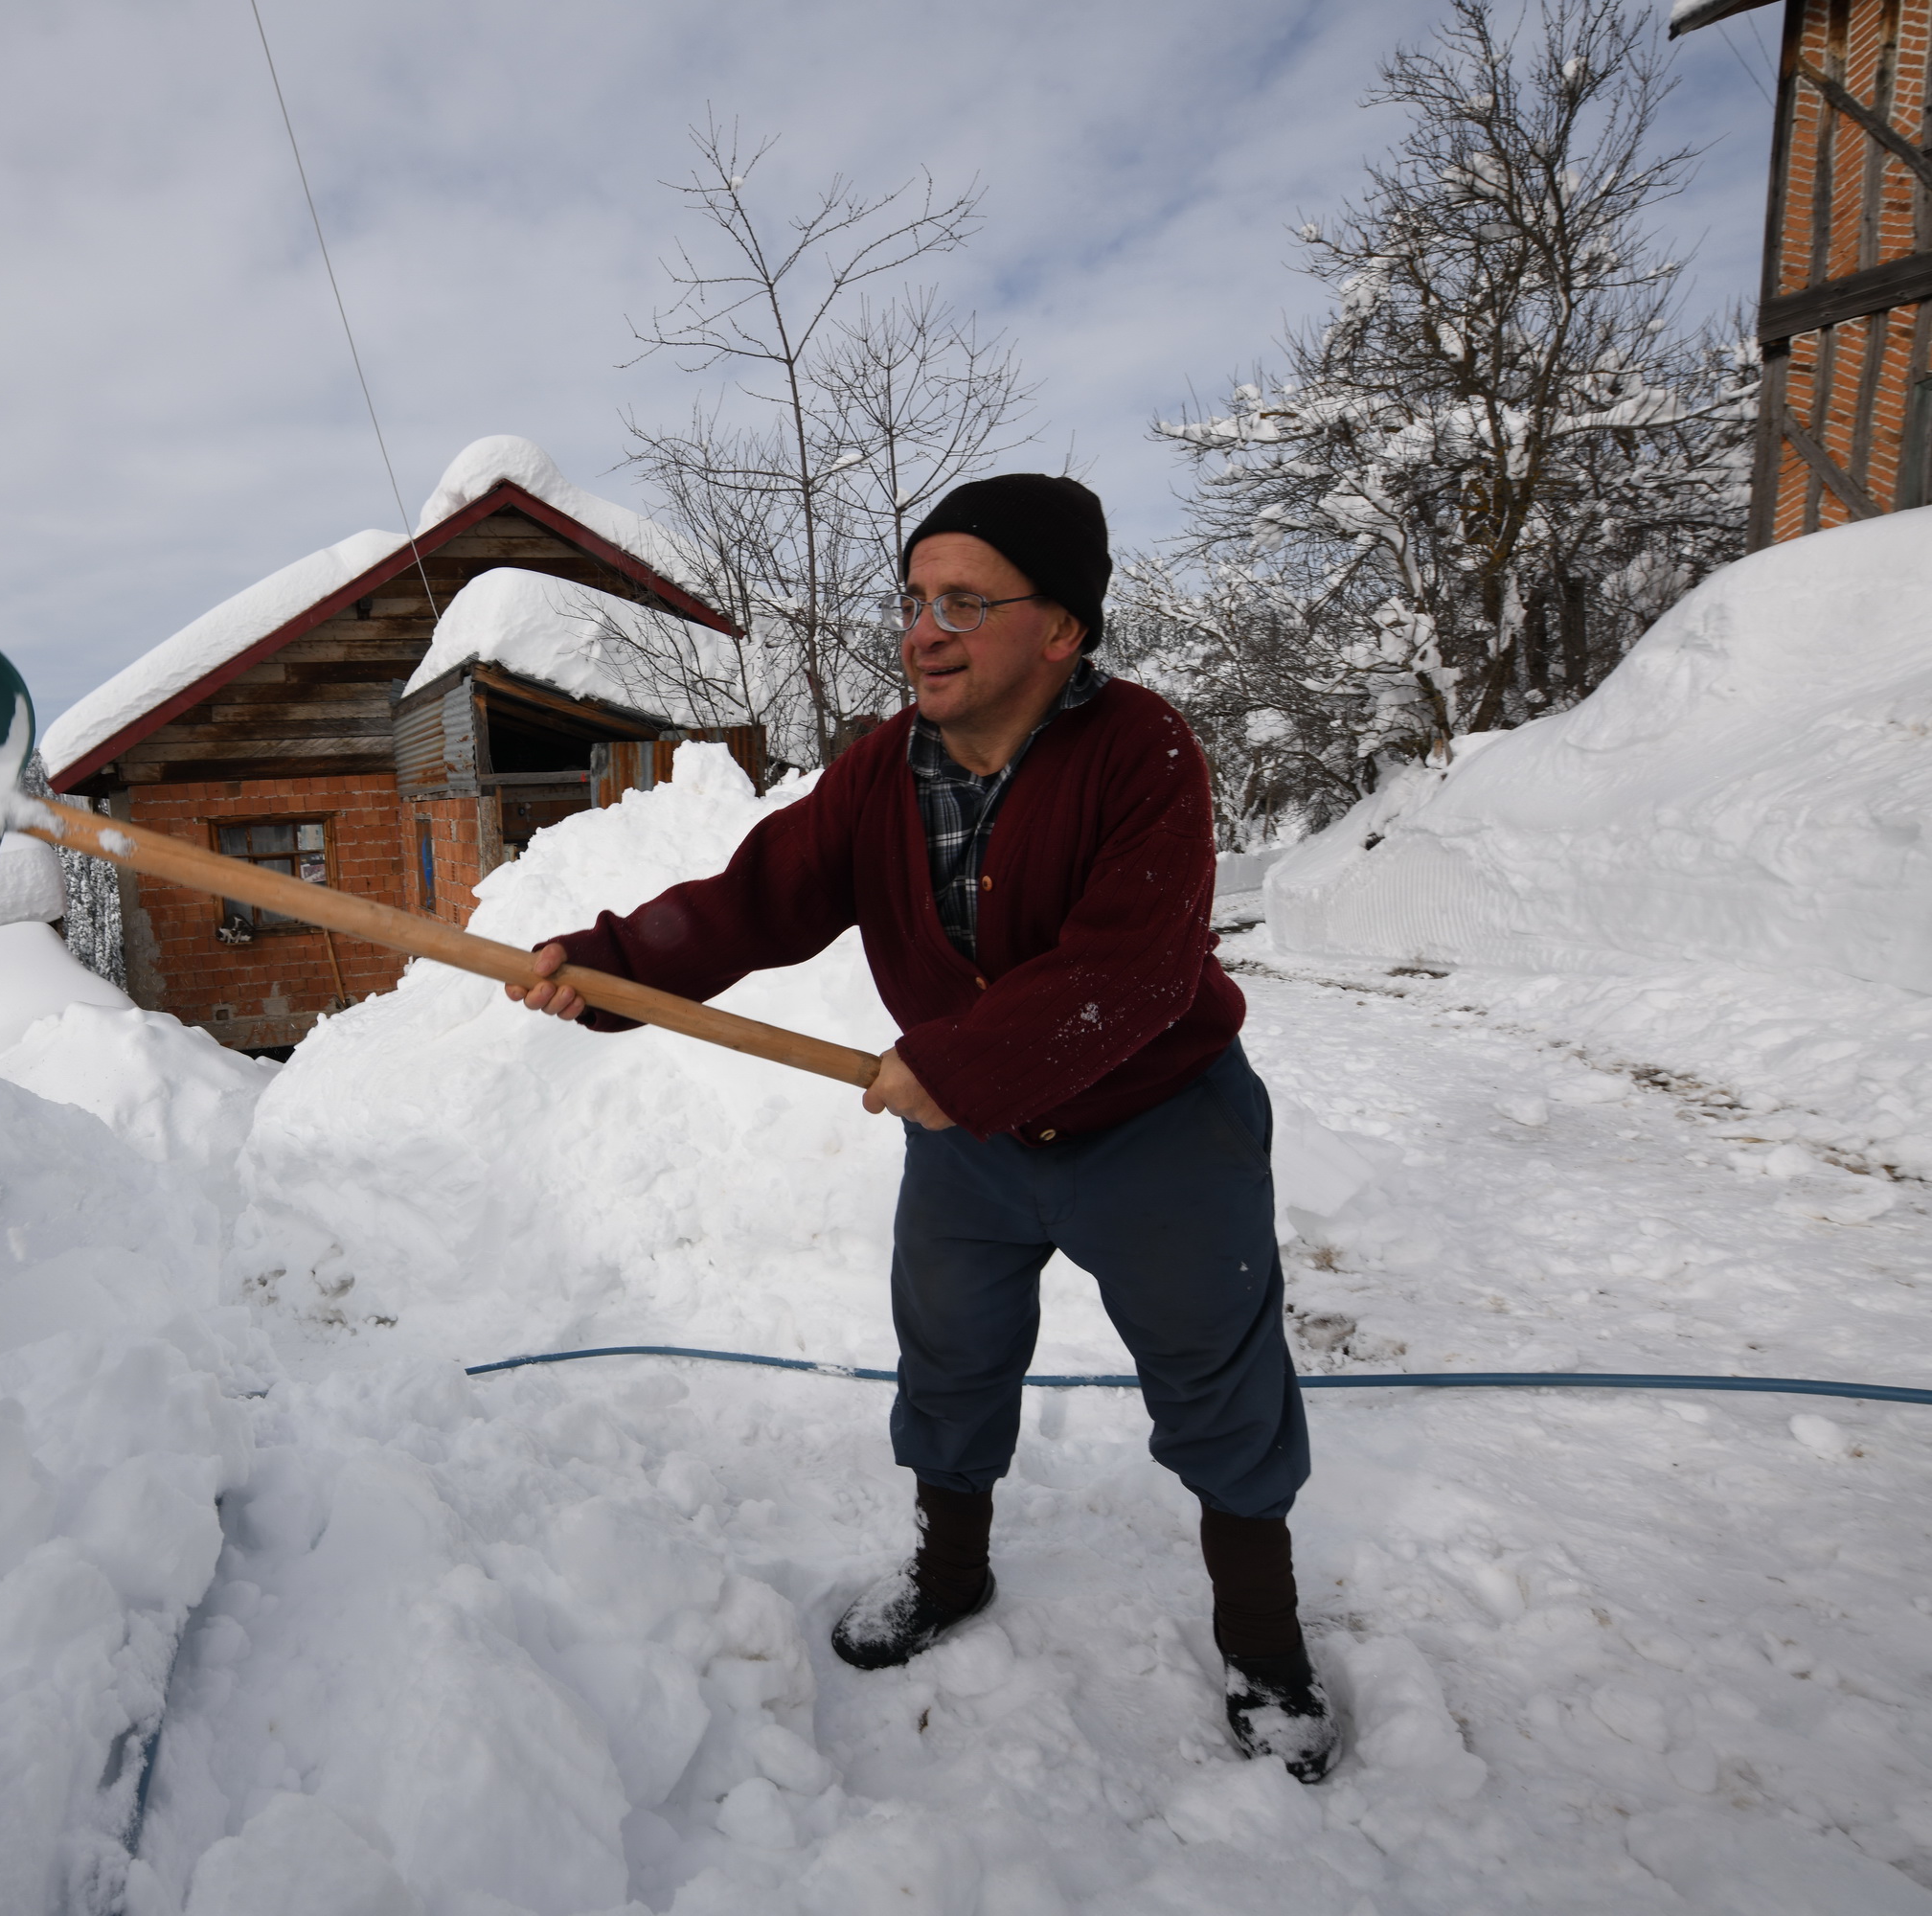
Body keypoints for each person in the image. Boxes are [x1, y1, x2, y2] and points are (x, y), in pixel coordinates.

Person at [507, 474, 1336, 1781]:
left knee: (1219, 1383)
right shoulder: (882, 772)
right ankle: (950, 1574)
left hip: (1157, 1126)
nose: (924, 631)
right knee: (947, 1356)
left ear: (1060, 631)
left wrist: (957, 1059)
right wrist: (608, 965)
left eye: (965, 601)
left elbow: (1134, 970)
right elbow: (757, 899)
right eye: (915, 599)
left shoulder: (1146, 755)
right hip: (974, 1146)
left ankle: (1267, 1649)